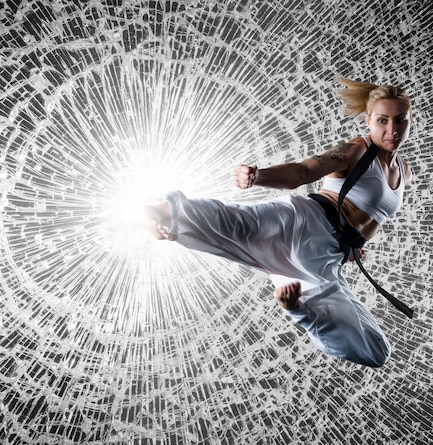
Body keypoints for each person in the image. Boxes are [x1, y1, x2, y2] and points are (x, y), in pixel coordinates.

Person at [146, 77, 413, 367]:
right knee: (235, 223)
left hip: (323, 259)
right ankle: (159, 212)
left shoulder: (404, 171)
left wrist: (353, 244)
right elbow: (302, 172)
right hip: (302, 221)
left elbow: (369, 216)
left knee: (374, 350)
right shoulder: (356, 150)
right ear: (368, 120)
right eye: (382, 120)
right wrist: (258, 176)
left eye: (400, 120)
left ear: (410, 119)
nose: (392, 130)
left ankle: (295, 307)